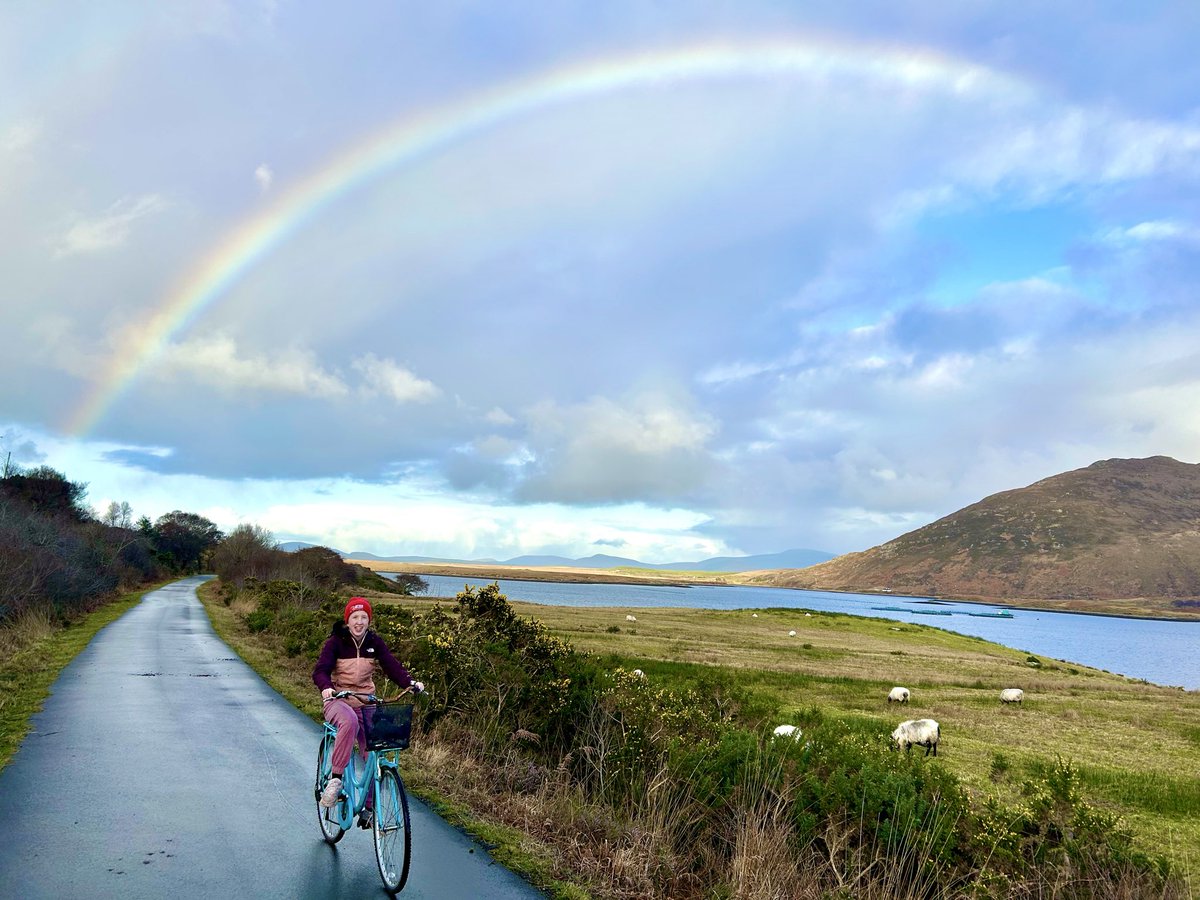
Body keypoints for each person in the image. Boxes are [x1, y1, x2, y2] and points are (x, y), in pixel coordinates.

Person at [312, 597, 423, 817]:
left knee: (376, 749)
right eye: (355, 617)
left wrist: (409, 683)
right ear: (348, 620)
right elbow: (320, 670)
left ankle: (369, 807)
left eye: (364, 617)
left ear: (369, 620)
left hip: (366, 701)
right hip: (338, 700)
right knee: (349, 722)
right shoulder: (336, 642)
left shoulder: (374, 642)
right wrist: (326, 687)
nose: (359, 621)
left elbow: (392, 666)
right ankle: (335, 779)